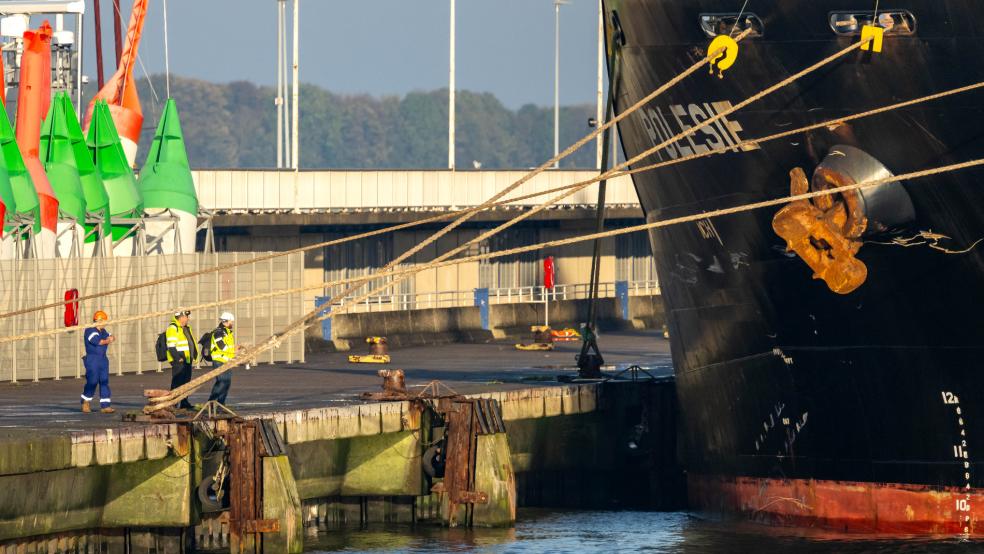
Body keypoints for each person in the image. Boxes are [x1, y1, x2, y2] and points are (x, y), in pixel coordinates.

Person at [80, 310, 116, 413]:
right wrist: (108, 340)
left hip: (103, 360)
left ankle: (105, 406)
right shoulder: (90, 331)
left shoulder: (103, 331)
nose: (105, 323)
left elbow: (111, 336)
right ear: (99, 320)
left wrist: (112, 337)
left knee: (104, 381)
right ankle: (85, 401)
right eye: (104, 320)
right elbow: (98, 342)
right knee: (92, 381)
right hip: (93, 360)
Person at [207, 311, 241, 406]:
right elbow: (221, 346)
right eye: (231, 321)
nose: (232, 323)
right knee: (222, 382)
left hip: (226, 361)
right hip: (219, 361)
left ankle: (221, 403)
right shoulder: (218, 332)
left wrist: (234, 349)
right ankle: (211, 403)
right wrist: (234, 349)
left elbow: (227, 346)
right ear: (226, 321)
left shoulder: (227, 332)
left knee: (226, 383)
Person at [165, 310, 197, 410]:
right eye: (186, 316)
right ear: (181, 317)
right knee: (177, 382)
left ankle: (184, 402)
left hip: (187, 359)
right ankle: (171, 403)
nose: (188, 318)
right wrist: (177, 358)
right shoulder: (173, 328)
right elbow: (171, 345)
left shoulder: (186, 328)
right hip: (179, 360)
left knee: (186, 382)